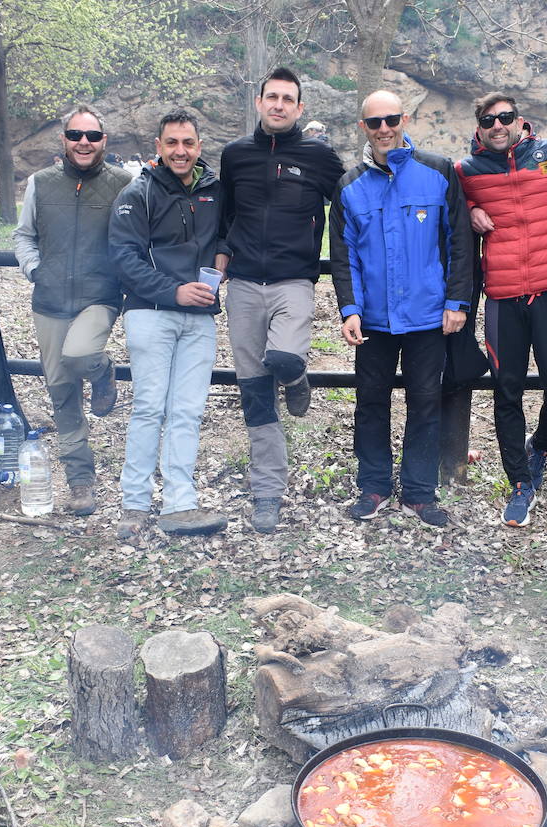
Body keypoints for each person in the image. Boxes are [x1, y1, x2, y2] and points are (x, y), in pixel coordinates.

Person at [329, 90, 472, 528]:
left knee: (426, 403)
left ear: (404, 119)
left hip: (428, 315)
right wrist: (349, 309)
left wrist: (456, 301)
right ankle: (372, 486)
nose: (384, 128)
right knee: (370, 402)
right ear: (363, 128)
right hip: (372, 317)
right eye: (375, 122)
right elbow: (343, 252)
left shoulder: (438, 171)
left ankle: (418, 492)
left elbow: (459, 241)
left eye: (391, 119)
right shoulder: (350, 185)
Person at [218, 67, 345, 533]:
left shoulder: (319, 156)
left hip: (295, 280)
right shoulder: (235, 156)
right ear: (259, 101)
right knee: (255, 395)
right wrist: (221, 260)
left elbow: (351, 200)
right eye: (271, 97)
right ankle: (267, 493)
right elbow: (225, 214)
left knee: (286, 358)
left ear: (299, 107)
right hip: (244, 285)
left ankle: (296, 376)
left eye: (287, 99)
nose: (278, 105)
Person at [455, 92, 547, 528]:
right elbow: (450, 212)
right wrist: (470, 208)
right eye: (488, 119)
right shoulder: (466, 172)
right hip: (503, 297)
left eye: (504, 117)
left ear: (519, 120)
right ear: (479, 126)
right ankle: (521, 484)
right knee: (506, 392)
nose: (497, 125)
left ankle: (539, 446)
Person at [109, 110, 228, 538]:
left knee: (188, 411)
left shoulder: (214, 189)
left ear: (199, 147)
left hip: (200, 316)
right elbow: (123, 258)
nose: (181, 151)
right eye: (172, 143)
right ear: (158, 147)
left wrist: (222, 260)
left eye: (188, 143)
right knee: (149, 407)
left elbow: (226, 234)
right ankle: (135, 502)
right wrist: (173, 291)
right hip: (150, 312)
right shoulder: (137, 192)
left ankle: (181, 501)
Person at [13, 105, 132, 516]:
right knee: (61, 392)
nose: (84, 142)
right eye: (76, 135)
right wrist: (34, 269)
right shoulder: (40, 184)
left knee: (81, 355)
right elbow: (24, 236)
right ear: (63, 139)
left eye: (93, 136)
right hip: (49, 300)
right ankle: (81, 481)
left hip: (99, 296)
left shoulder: (123, 183)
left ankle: (103, 372)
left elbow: (135, 239)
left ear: (104, 141)